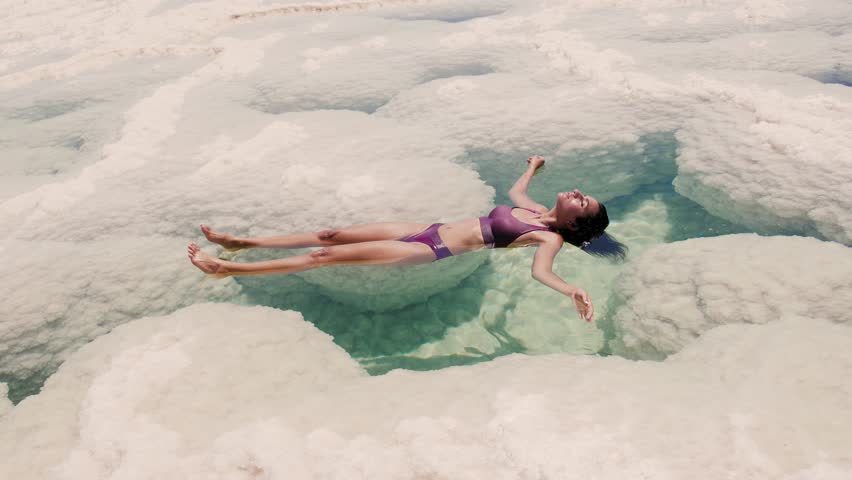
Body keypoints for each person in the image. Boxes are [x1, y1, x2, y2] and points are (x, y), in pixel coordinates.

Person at [188, 155, 627, 321]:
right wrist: (532, 167)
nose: (578, 195)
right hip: (427, 228)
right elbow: (514, 193)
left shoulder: (546, 238)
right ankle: (243, 243)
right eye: (584, 195)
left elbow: (541, 274)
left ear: (574, 225)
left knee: (325, 256)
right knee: (331, 234)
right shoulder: (533, 211)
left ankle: (227, 269)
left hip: (427, 249)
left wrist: (572, 289)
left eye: (583, 203)